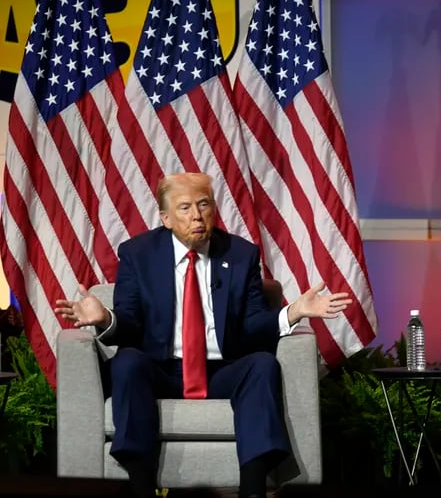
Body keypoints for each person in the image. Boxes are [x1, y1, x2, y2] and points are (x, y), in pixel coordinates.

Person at [54, 172, 352, 498]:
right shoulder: (138, 254)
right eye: (185, 208)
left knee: (263, 365)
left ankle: (252, 490)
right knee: (127, 362)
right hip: (161, 368)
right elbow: (132, 326)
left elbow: (252, 326)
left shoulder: (240, 255)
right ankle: (142, 489)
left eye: (204, 204)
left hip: (220, 370)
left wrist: (293, 311)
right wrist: (105, 318)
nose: (197, 215)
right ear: (166, 218)